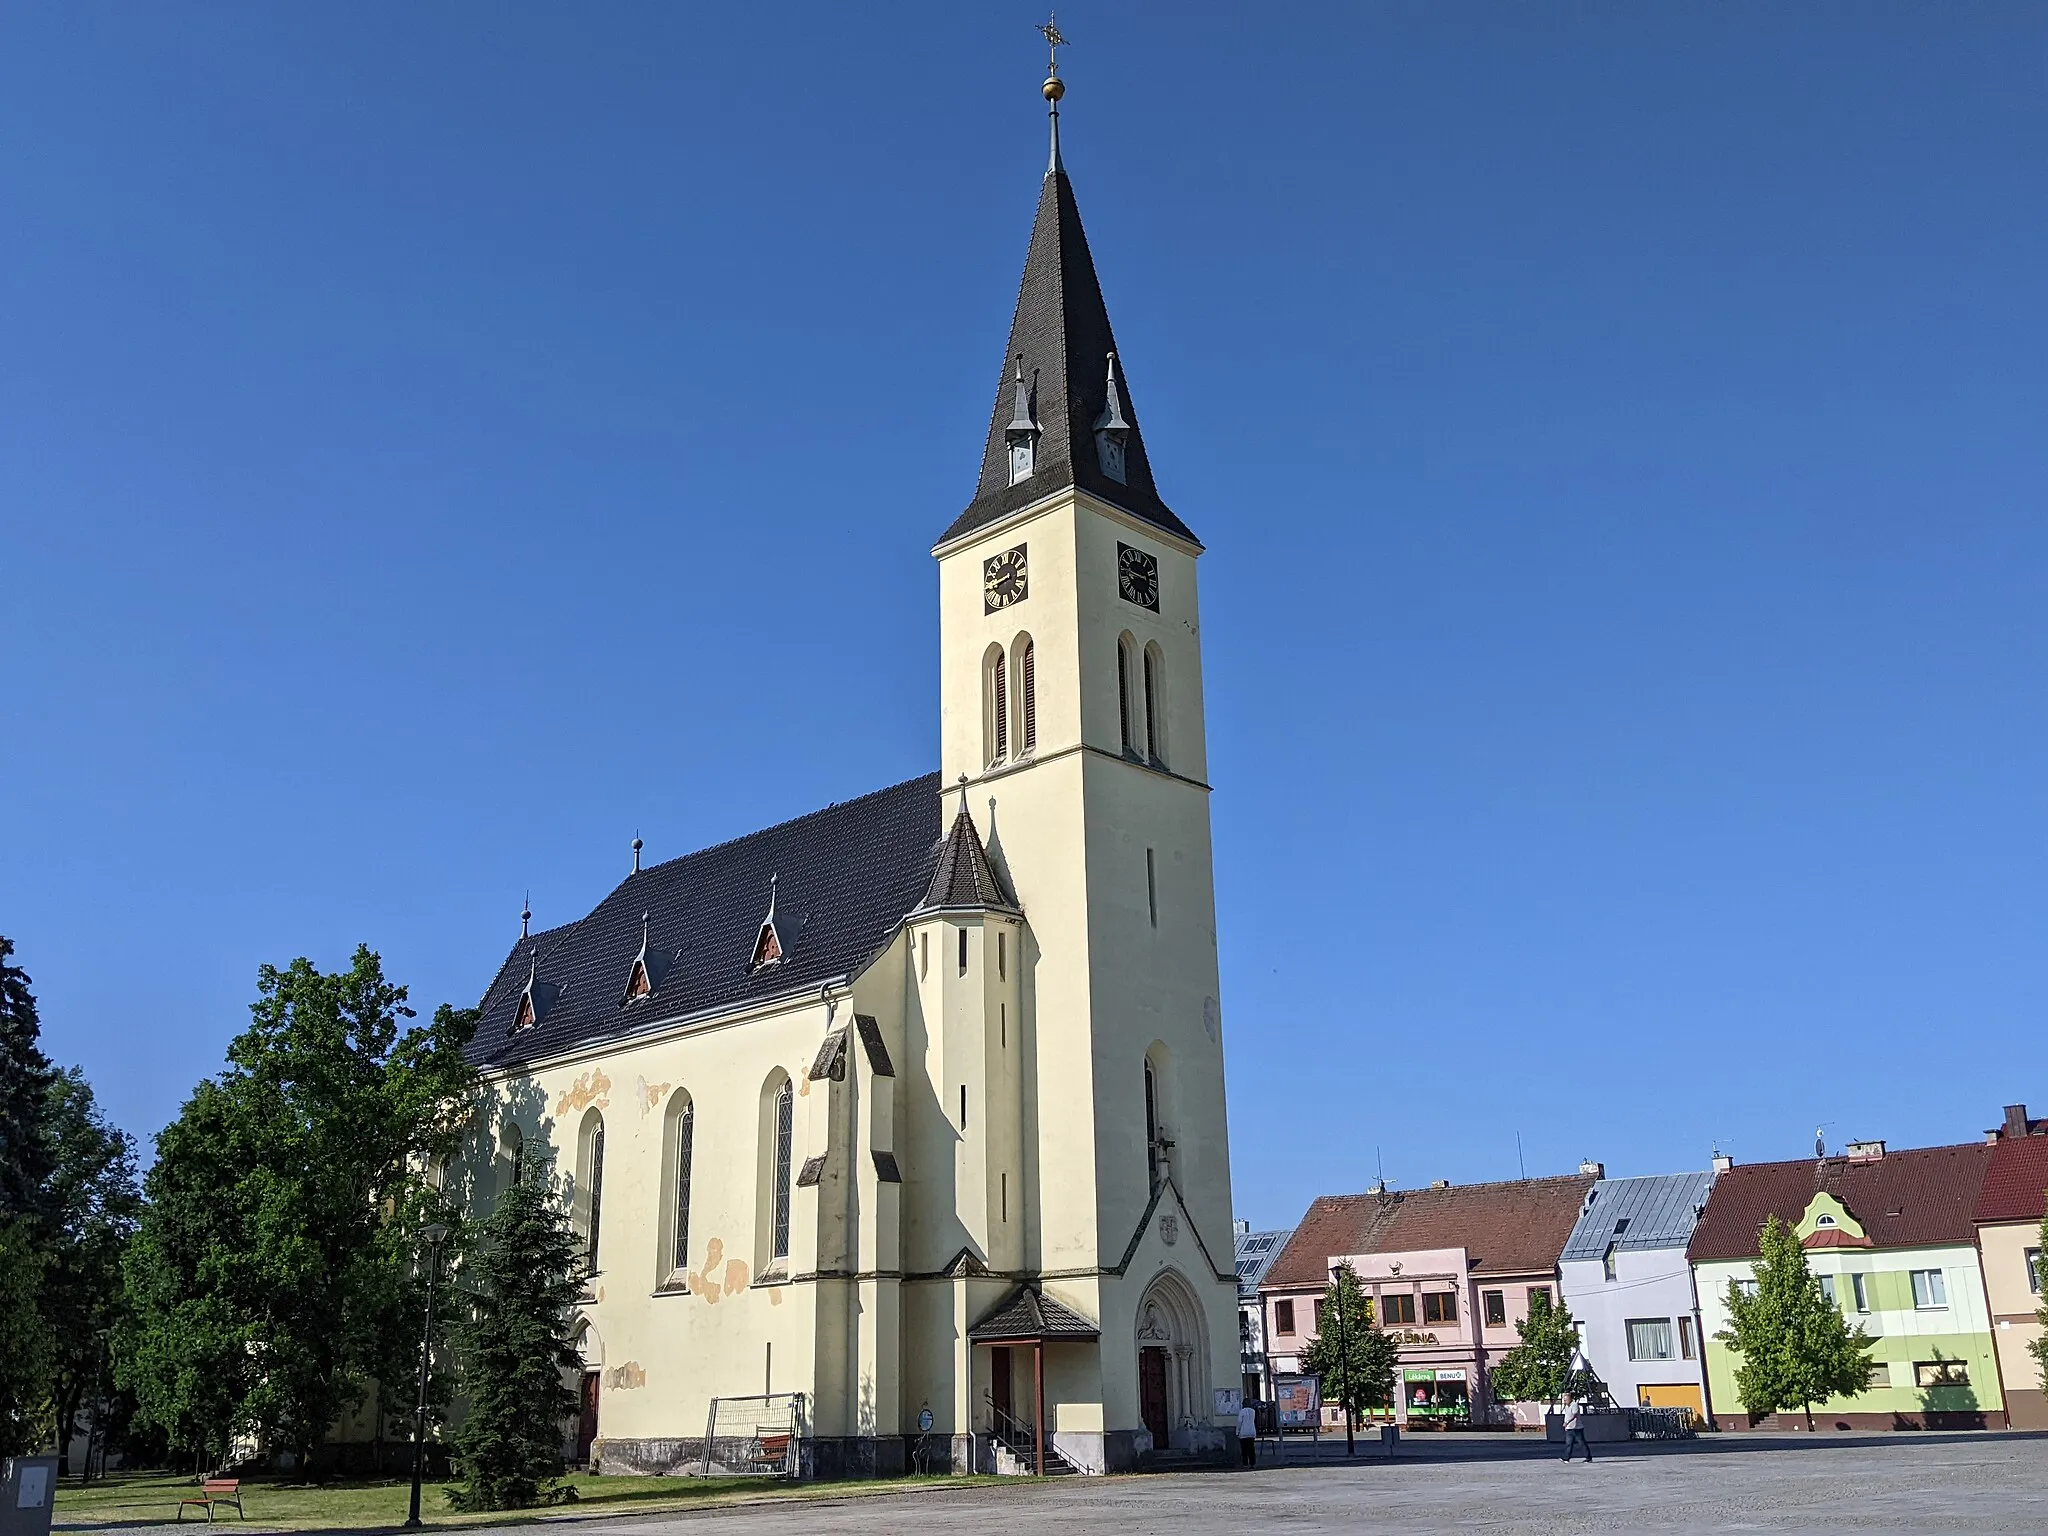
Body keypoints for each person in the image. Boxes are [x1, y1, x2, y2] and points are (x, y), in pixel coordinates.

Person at [1561, 1393, 1592, 1464]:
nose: (1565, 1401)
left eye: (1566, 1400)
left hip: (1577, 1428)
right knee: (1569, 1443)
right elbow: (1567, 1416)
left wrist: (1567, 1422)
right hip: (1569, 1428)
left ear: (1570, 1399)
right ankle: (1566, 1458)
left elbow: (1574, 1415)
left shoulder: (1574, 1405)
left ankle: (1588, 1457)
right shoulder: (1566, 1406)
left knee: (1581, 1443)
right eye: (1564, 1400)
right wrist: (1566, 1425)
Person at [1237, 1399, 1259, 1467]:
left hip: (1243, 1432)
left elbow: (1239, 1422)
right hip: (1252, 1431)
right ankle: (1252, 1463)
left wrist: (1237, 1431)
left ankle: (1245, 1463)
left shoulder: (1242, 1411)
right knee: (1251, 1449)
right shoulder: (1253, 1411)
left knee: (1244, 1450)